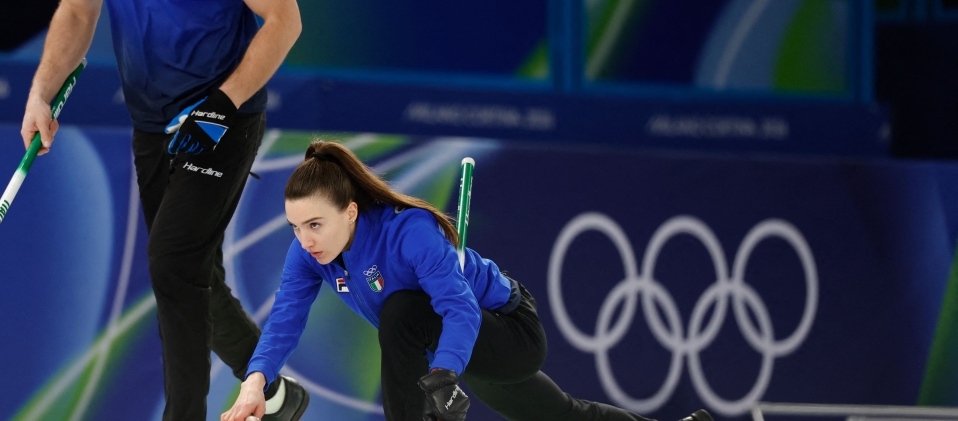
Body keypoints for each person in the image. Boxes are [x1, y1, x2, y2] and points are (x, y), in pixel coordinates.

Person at [18, 0, 308, 421]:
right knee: (193, 273)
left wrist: (223, 105)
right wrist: (42, 92)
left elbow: (284, 19)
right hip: (151, 120)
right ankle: (275, 393)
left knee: (173, 263)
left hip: (220, 113)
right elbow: (77, 11)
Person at [221, 140, 718, 421]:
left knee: (401, 310)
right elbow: (284, 320)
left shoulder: (410, 232)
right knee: (563, 417)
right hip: (452, 347)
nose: (304, 239)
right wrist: (254, 383)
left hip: (506, 331)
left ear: (350, 212)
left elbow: (458, 309)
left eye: (314, 224)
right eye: (295, 227)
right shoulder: (309, 254)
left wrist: (443, 374)